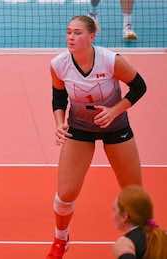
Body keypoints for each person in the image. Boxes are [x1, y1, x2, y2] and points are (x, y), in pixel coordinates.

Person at [46, 15, 148, 258]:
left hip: (116, 126)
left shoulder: (111, 60)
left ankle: (143, 239)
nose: (71, 37)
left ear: (92, 36)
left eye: (78, 32)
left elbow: (140, 87)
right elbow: (58, 98)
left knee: (133, 192)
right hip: (80, 128)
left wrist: (114, 111)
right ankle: (61, 239)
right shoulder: (59, 64)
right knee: (66, 194)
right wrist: (59, 124)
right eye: (69, 32)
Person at [112, 185, 167, 259]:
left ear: (125, 216)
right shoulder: (162, 236)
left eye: (114, 210)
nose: (112, 215)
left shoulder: (125, 244)